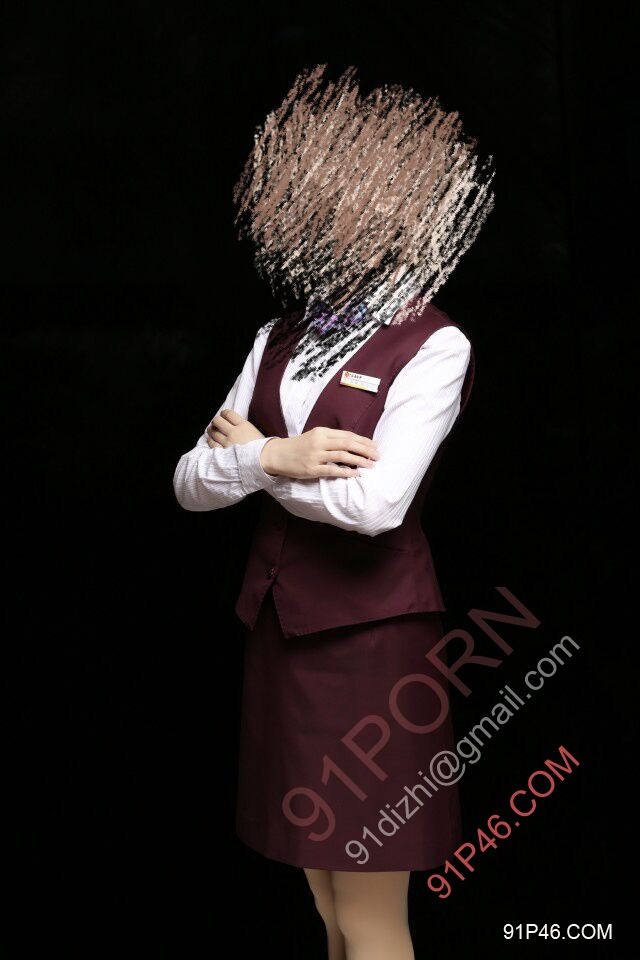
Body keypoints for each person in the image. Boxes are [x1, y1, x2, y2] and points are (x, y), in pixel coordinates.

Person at [173, 64, 493, 960]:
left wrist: (253, 465)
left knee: (370, 911)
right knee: (321, 901)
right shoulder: (274, 337)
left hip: (372, 649)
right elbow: (189, 481)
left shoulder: (434, 344)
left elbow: (375, 505)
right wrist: (274, 457)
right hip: (280, 638)